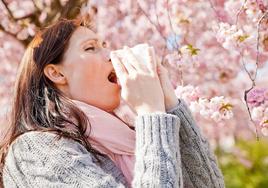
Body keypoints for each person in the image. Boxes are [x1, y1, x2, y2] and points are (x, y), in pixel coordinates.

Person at [0, 18, 225, 188]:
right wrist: (151, 114)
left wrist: (169, 103)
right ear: (57, 74)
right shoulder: (34, 151)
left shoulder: (135, 138)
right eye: (91, 48)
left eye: (105, 45)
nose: (111, 54)